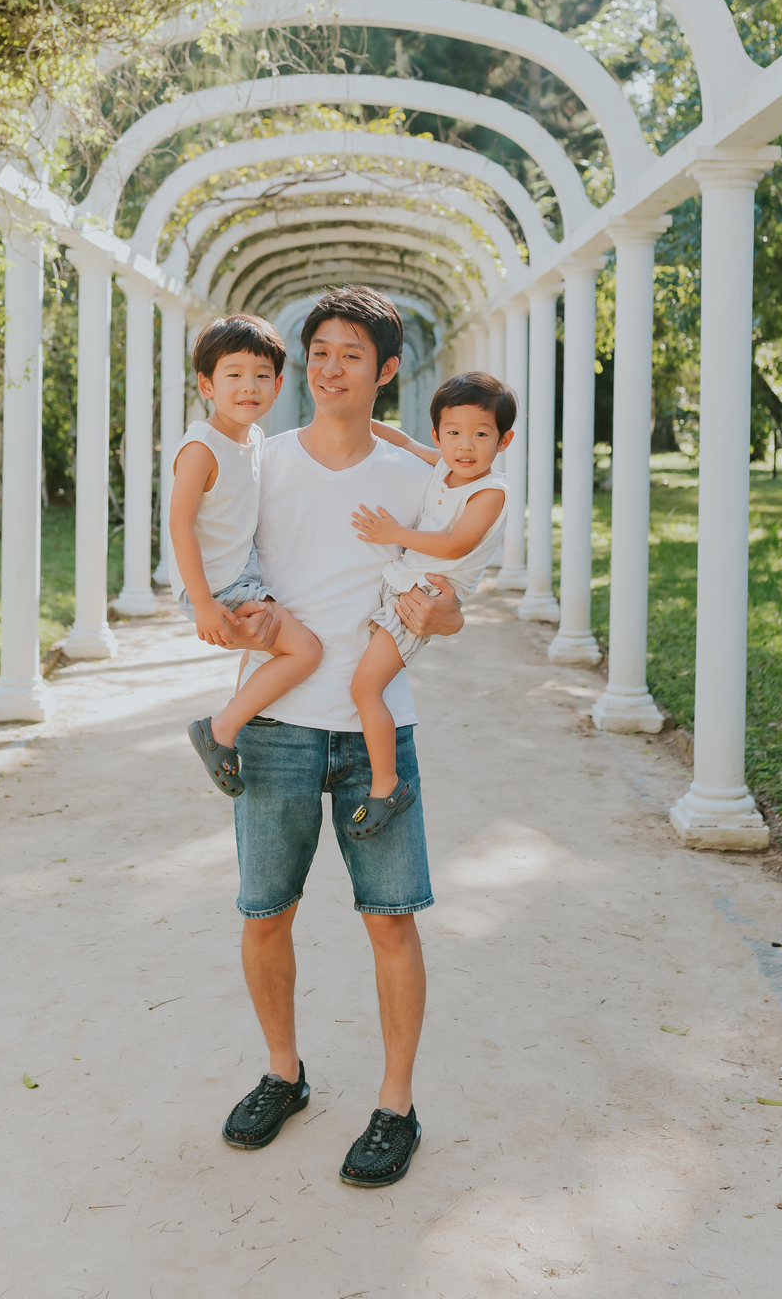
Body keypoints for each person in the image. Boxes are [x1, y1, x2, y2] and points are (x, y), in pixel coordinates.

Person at [217, 286, 465, 1189]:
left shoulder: (416, 481)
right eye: (318, 351)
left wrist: (438, 612)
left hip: (377, 733)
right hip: (277, 724)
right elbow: (222, 573)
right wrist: (237, 621)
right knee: (264, 913)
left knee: (391, 922)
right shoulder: (261, 462)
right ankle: (283, 1076)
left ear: (386, 370)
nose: (328, 368)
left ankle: (395, 1105)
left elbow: (453, 607)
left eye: (351, 355)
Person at [343, 373, 513, 837]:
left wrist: (392, 533)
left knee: (365, 689)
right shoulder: (444, 464)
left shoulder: (489, 491)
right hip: (401, 585)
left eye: (482, 434)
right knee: (359, 680)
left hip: (424, 596)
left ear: (504, 440)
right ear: (439, 434)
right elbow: (402, 439)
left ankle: (386, 785)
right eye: (454, 432)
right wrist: (359, 419)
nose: (466, 445)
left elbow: (456, 543)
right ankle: (383, 779)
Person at [171, 314, 322, 795]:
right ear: (206, 384)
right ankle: (219, 730)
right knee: (306, 650)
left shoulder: (252, 438)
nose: (248, 386)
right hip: (220, 584)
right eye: (233, 374)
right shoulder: (202, 448)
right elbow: (179, 525)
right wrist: (202, 603)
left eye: (261, 376)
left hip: (244, 571)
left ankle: (239, 728)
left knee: (267, 648)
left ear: (278, 386)